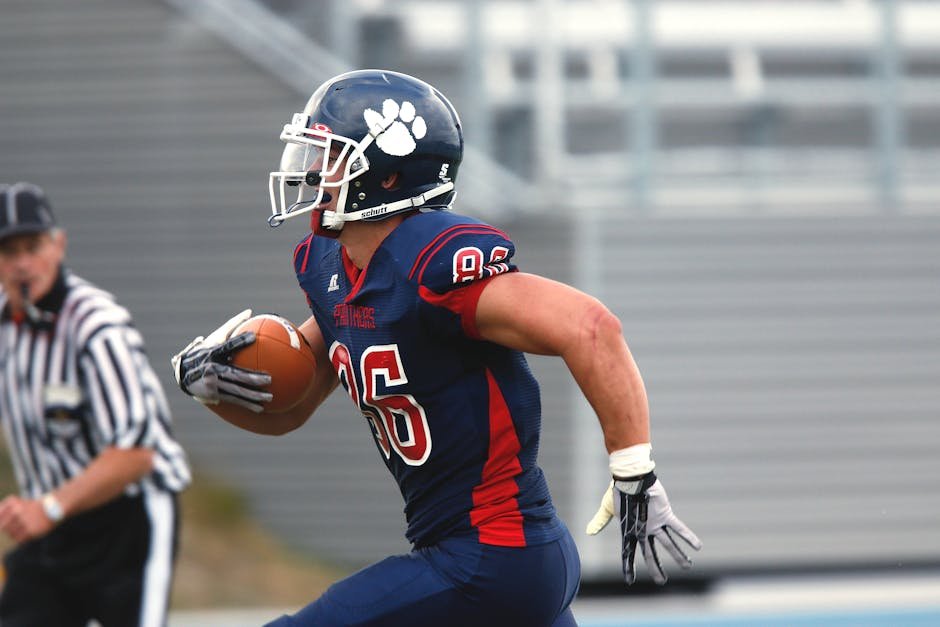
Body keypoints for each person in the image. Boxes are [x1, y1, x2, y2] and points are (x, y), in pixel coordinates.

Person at [173, 69, 701, 626]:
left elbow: (591, 327)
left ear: (384, 174)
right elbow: (290, 408)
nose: (312, 172)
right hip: (497, 559)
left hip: (491, 558)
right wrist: (215, 387)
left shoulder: (430, 263)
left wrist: (633, 470)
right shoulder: (336, 274)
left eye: (330, 156)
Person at [0, 182, 192, 627]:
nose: (23, 263)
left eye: (33, 246)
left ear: (58, 245)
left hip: (127, 520)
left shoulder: (96, 327)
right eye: (10, 252)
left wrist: (47, 508)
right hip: (53, 524)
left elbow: (136, 455)